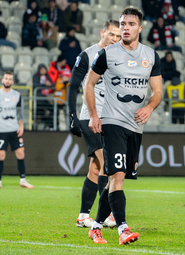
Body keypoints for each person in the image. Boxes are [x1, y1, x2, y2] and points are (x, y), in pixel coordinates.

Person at [84, 7, 162, 245]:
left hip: (135, 127)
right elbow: (89, 84)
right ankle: (123, 229)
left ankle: (96, 227)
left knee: (117, 178)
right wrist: (94, 115)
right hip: (112, 122)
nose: (125, 28)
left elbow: (158, 91)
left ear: (140, 27)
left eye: (130, 24)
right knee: (116, 175)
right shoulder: (107, 53)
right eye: (122, 23)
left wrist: (149, 108)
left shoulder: (151, 55)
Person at [67, 19, 121, 228]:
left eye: (118, 36)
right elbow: (72, 86)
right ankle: (106, 215)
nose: (114, 39)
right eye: (111, 34)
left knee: (96, 168)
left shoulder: (117, 58)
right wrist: (71, 116)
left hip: (109, 120)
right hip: (89, 118)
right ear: (102, 33)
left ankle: (83, 216)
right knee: (108, 164)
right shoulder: (87, 55)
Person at [0, 72, 34, 189]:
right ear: (2, 80)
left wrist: (21, 126)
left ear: (13, 82)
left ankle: (23, 180)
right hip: (1, 130)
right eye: (6, 78)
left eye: (10, 79)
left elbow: (19, 112)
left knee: (20, 152)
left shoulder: (17, 95)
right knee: (0, 155)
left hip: (14, 129)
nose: (8, 81)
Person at [32, 64, 55, 129]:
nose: (43, 71)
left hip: (45, 98)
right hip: (38, 99)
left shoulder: (47, 76)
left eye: (44, 69)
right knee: (39, 113)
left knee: (54, 110)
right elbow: (35, 85)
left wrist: (50, 84)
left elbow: (52, 84)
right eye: (41, 69)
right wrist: (44, 84)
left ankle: (49, 125)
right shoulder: (36, 76)